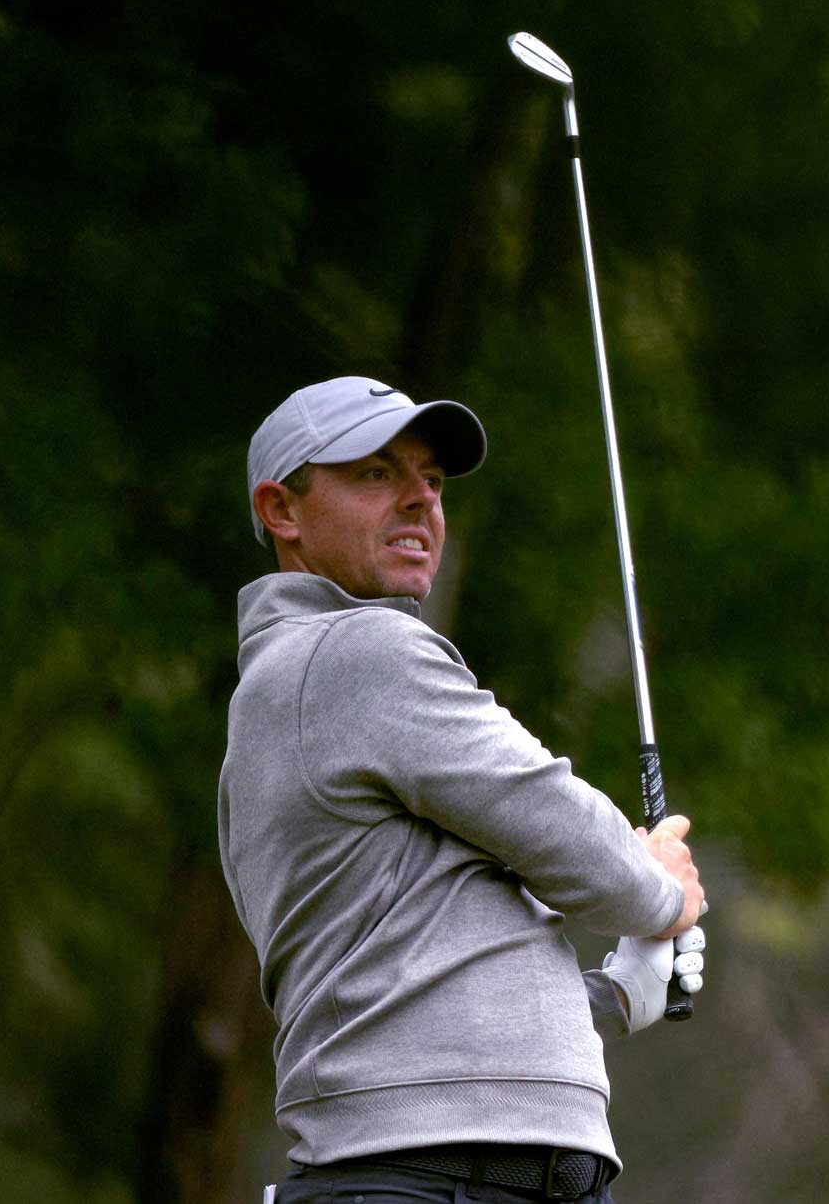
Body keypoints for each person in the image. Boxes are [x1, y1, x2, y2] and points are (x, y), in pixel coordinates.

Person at [219, 376, 706, 1203]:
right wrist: (661, 888)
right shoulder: (358, 653)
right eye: (376, 473)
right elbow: (565, 830)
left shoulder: (297, 694)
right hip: (422, 1185)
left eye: (433, 480)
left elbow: (417, 1002)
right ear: (282, 509)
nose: (420, 499)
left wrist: (622, 992)